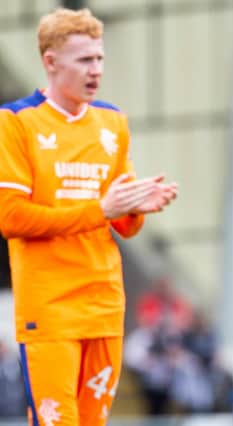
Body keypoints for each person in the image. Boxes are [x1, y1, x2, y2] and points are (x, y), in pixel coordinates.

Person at [0, 8, 178, 426]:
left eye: (99, 58)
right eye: (84, 60)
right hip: (49, 309)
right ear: (50, 62)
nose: (95, 69)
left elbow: (124, 224)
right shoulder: (17, 121)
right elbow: (10, 217)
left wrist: (137, 206)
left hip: (103, 303)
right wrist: (100, 210)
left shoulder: (112, 122)